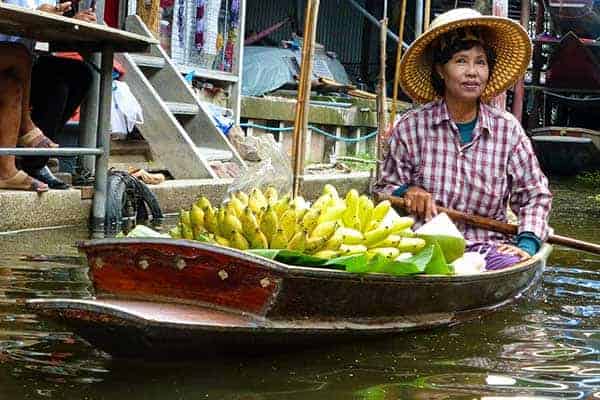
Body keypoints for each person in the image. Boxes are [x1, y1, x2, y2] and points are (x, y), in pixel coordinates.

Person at [376, 8, 553, 256]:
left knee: (503, 263)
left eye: (480, 62)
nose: (473, 72)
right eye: (461, 61)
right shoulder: (411, 127)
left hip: (488, 249)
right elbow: (383, 189)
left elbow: (535, 196)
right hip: (423, 247)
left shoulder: (507, 130)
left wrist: (526, 245)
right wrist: (408, 192)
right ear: (440, 70)